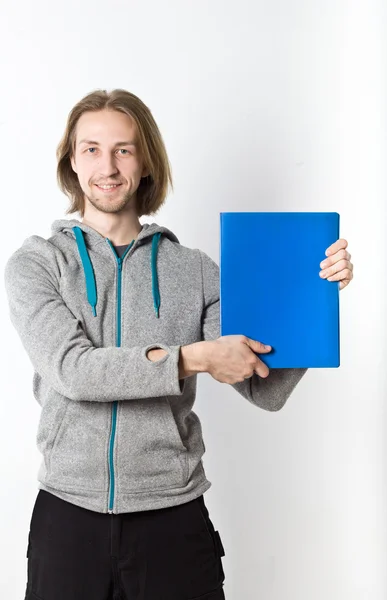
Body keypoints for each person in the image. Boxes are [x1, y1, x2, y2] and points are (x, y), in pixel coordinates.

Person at [4, 89, 354, 600]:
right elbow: (74, 371)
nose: (108, 165)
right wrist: (190, 359)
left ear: (145, 161)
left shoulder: (195, 272)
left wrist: (314, 297)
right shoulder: (37, 264)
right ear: (72, 163)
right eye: (92, 149)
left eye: (124, 149)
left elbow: (266, 390)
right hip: (67, 519)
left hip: (173, 521)